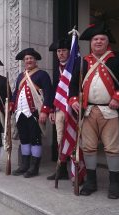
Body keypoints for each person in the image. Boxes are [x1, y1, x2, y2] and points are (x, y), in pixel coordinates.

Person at [69, 21, 119, 199]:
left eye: (102, 39)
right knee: (89, 148)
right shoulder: (82, 62)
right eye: (95, 39)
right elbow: (73, 84)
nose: (98, 42)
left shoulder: (118, 59)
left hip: (110, 111)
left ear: (108, 42)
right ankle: (91, 181)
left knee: (112, 148)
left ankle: (115, 183)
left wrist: (118, 97)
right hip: (88, 112)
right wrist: (74, 99)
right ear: (90, 43)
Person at [11, 48, 54, 178]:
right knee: (24, 139)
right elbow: (16, 93)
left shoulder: (42, 75)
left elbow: (48, 94)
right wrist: (12, 105)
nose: (28, 61)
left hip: (35, 113)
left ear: (35, 60)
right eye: (26, 59)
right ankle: (24, 165)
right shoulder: (21, 76)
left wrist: (45, 111)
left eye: (31, 58)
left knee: (35, 139)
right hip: (21, 113)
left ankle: (34, 167)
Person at [46, 38, 72, 181]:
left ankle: (77, 172)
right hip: (59, 109)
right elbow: (53, 91)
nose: (61, 53)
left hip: (73, 108)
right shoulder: (57, 70)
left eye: (64, 50)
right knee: (60, 139)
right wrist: (51, 110)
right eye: (59, 51)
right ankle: (61, 170)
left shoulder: (75, 66)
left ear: (69, 52)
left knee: (75, 139)